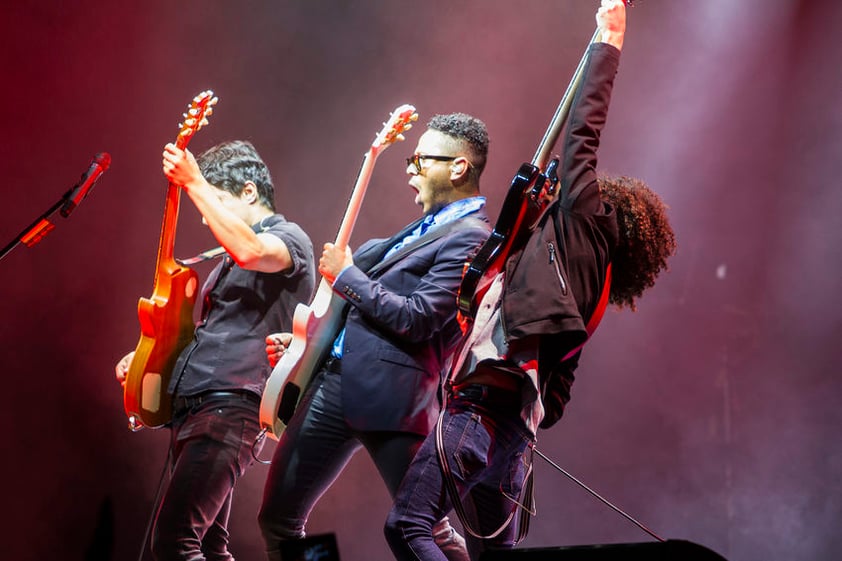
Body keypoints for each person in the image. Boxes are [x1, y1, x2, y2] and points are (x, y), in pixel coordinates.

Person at [384, 2, 677, 560]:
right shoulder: (584, 284)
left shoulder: (585, 220)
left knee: (409, 527)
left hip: (479, 415)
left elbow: (582, 133)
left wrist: (609, 40)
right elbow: (557, 396)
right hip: (514, 438)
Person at [257, 113, 493, 561]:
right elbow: (363, 306)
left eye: (422, 160)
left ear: (459, 167)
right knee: (278, 520)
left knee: (424, 527)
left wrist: (347, 274)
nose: (410, 169)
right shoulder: (424, 229)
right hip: (333, 387)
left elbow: (420, 318)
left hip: (393, 399)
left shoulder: (471, 238)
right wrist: (312, 345)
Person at [115, 140, 316, 561]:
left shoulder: (288, 238)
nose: (208, 221)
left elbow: (251, 250)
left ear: (247, 192)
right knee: (206, 543)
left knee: (174, 542)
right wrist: (148, 359)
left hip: (231, 407)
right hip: (201, 407)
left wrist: (193, 183)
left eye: (217, 203)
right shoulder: (227, 262)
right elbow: (206, 333)